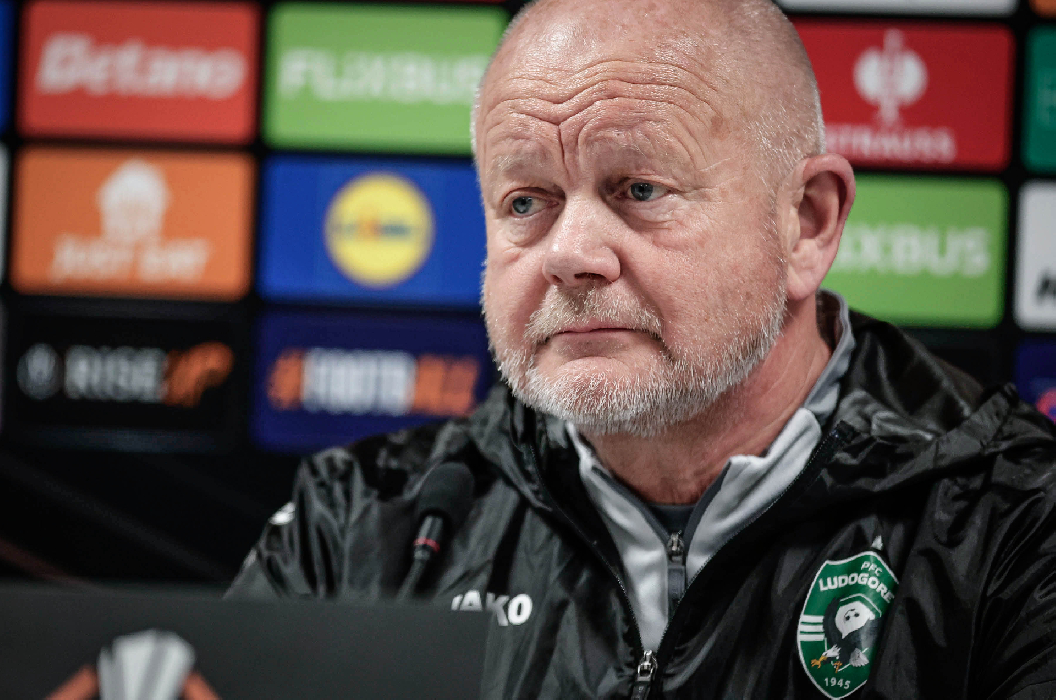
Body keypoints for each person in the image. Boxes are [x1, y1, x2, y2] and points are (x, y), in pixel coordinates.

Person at [228, 0, 1056, 697]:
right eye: (526, 202)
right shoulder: (355, 527)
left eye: (640, 189)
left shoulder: (1017, 522)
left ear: (806, 223)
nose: (568, 253)